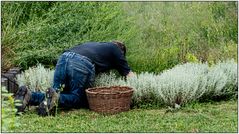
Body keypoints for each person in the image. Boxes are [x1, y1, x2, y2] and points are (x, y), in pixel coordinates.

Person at [14, 41, 134, 116]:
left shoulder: (95, 45)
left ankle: (29, 95)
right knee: (78, 99)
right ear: (121, 50)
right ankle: (50, 99)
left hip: (64, 57)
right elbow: (129, 75)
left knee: (55, 94)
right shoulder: (117, 49)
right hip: (81, 63)